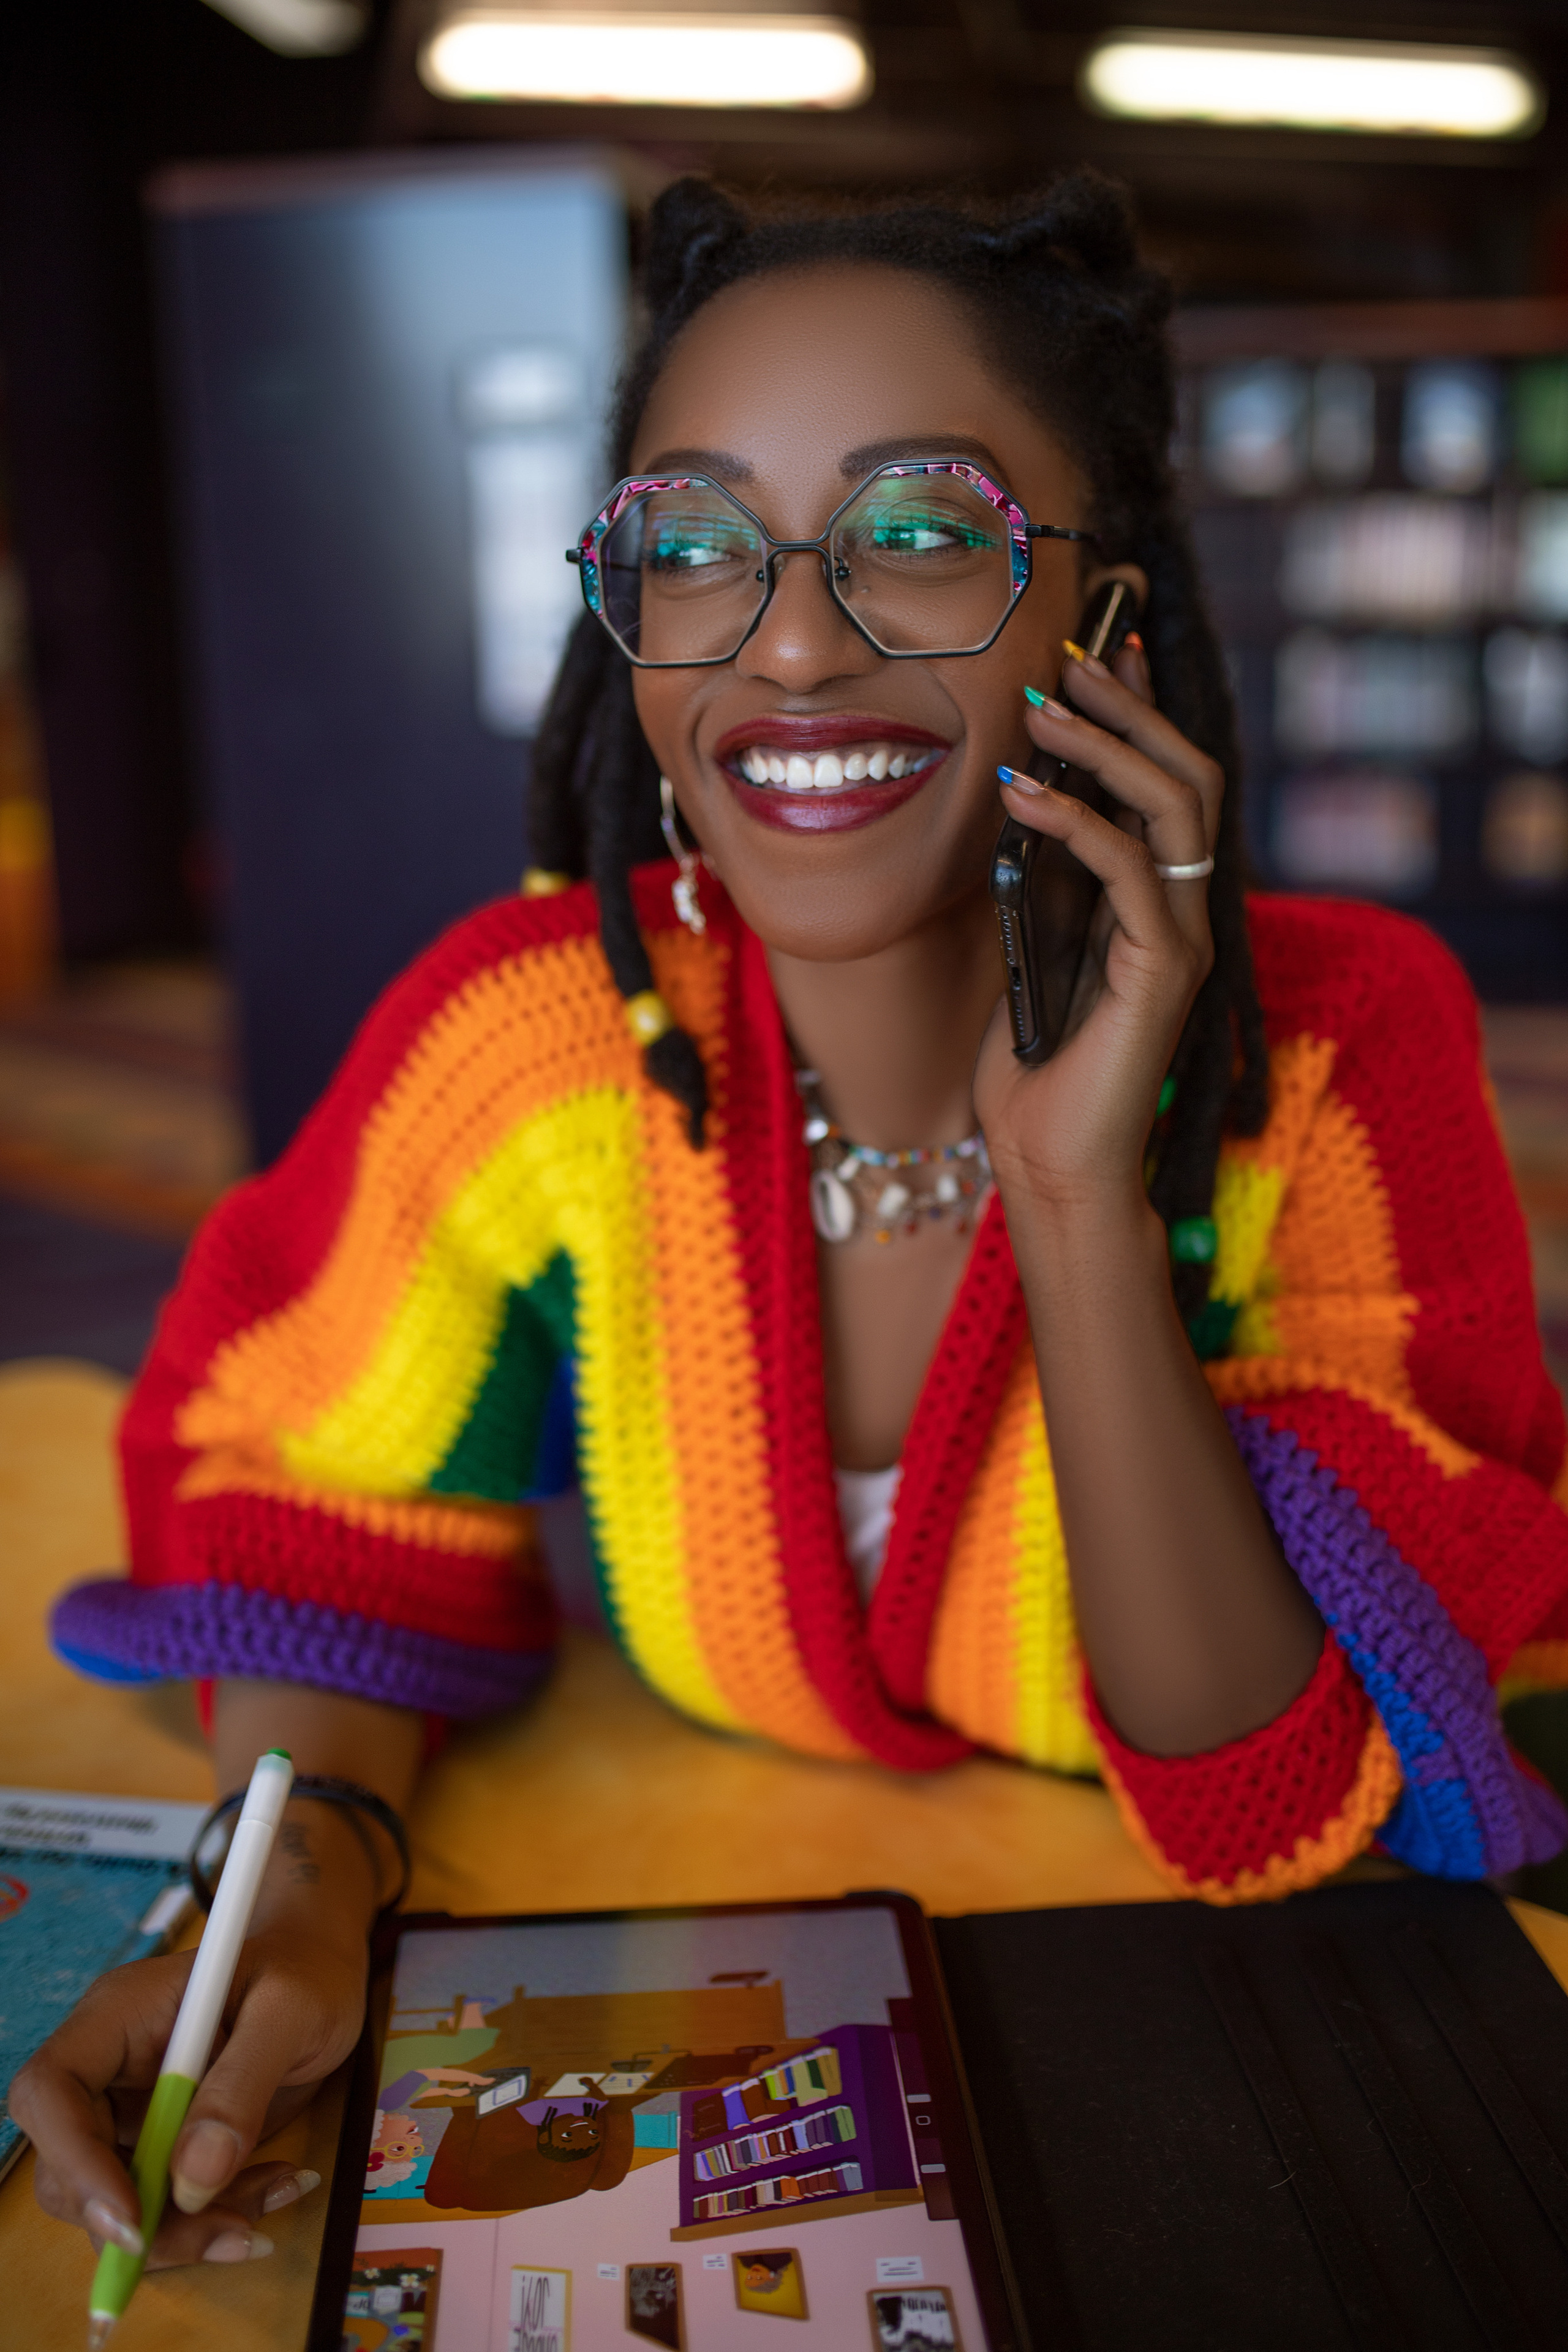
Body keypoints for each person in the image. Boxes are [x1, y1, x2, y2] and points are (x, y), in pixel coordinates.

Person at [18, 170, 1568, 2275]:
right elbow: (321, 1503)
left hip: (1191, 2084)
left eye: (923, 533)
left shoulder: (1336, 1050)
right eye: (695, 545)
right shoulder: (546, 1037)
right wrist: (292, 1876)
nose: (800, 638)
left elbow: (1268, 1783)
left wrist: (1073, 1194)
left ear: (1102, 624)